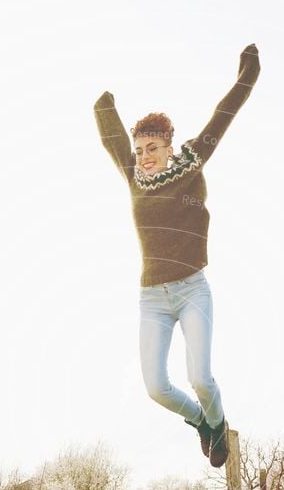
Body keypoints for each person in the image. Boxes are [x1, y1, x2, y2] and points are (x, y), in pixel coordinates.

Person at [93, 44, 260, 468]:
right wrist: (102, 101)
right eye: (140, 149)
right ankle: (202, 424)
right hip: (152, 298)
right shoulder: (132, 175)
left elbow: (222, 117)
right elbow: (111, 137)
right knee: (156, 387)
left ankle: (218, 423)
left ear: (168, 146)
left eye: (152, 148)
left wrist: (247, 74)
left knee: (200, 378)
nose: (145, 157)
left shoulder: (191, 163)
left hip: (191, 290)